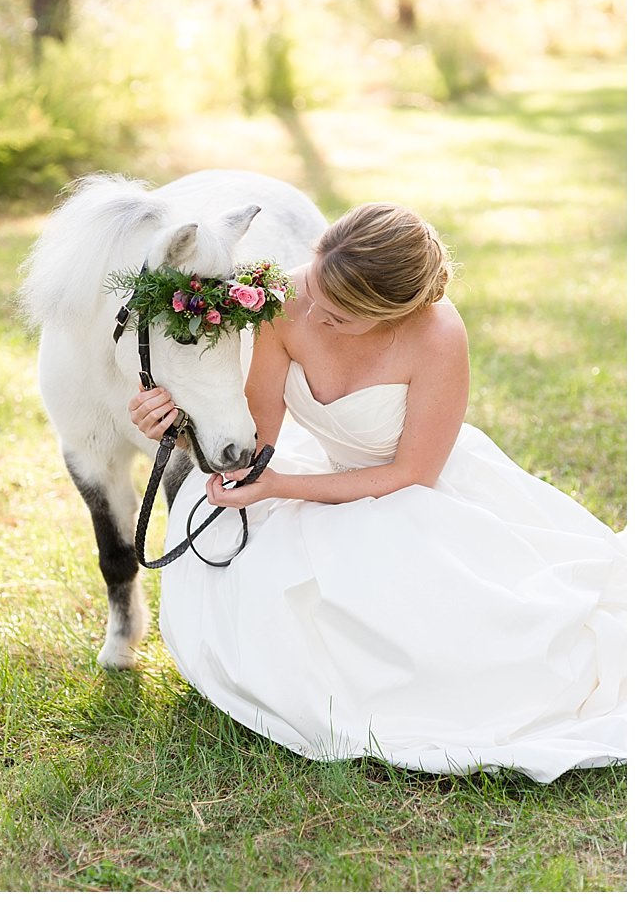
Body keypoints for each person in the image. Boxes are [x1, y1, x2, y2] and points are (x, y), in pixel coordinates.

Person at [129, 202, 626, 784]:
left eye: (336, 315)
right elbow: (258, 437)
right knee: (235, 545)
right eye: (312, 285)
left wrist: (284, 486)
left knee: (460, 633)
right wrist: (177, 428)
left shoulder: (438, 335)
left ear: (391, 314)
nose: (310, 312)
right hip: (321, 470)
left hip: (413, 491)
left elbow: (413, 473)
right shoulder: (285, 302)